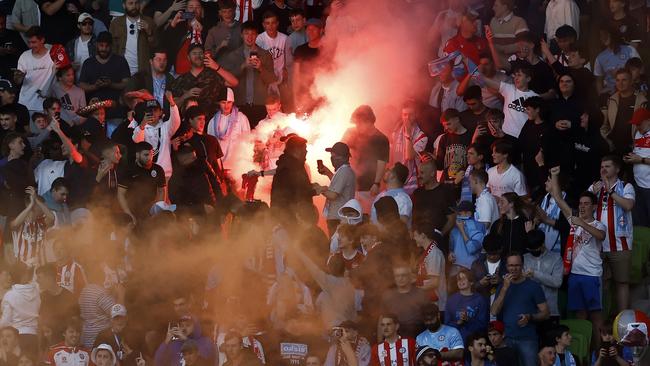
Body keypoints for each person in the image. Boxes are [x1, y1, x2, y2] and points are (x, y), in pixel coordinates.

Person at [588, 155, 635, 313]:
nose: (603, 169)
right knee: (602, 284)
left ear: (617, 169)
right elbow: (583, 209)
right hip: (598, 245)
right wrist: (592, 195)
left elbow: (628, 205)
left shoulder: (626, 186)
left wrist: (611, 192)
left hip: (620, 244)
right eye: (602, 166)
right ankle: (603, 323)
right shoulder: (595, 188)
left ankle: (622, 321)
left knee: (621, 283)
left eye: (607, 166)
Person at [490, 253, 550, 366]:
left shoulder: (533, 286)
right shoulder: (502, 286)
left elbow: (546, 313)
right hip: (506, 339)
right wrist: (504, 288)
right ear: (506, 266)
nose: (514, 268)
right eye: (511, 265)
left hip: (528, 339)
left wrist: (530, 317)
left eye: (517, 265)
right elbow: (494, 311)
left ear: (522, 265)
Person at [220, 21, 277, 125]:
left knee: (259, 137)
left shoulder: (265, 55)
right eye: (246, 33)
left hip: (260, 104)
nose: (250, 37)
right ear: (241, 35)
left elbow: (272, 79)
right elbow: (226, 79)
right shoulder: (234, 55)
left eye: (253, 33)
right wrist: (243, 66)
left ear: (257, 35)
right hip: (239, 104)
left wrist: (261, 68)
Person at [169, 43, 239, 118]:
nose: (198, 56)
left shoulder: (213, 75)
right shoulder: (181, 80)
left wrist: (216, 67)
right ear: (188, 57)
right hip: (190, 125)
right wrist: (186, 95)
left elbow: (234, 82)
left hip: (213, 123)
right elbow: (173, 106)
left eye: (200, 53)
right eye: (194, 53)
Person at [341, 105, 389, 214]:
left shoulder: (381, 139)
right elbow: (340, 151)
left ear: (368, 121)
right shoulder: (353, 134)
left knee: (366, 218)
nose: (357, 126)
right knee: (350, 219)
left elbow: (382, 163)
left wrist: (376, 184)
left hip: (369, 188)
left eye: (359, 123)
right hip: (351, 185)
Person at [79, 31, 131, 121]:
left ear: (111, 46)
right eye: (101, 45)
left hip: (116, 112)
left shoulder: (120, 61)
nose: (104, 49)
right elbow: (81, 85)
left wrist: (111, 84)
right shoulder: (88, 63)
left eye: (107, 46)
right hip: (94, 113)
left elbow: (127, 83)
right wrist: (95, 86)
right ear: (96, 45)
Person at [479, 66, 538, 138]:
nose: (516, 78)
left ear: (528, 79)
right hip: (505, 135)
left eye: (519, 75)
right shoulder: (509, 88)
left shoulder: (535, 97)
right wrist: (478, 74)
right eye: (515, 75)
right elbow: (490, 82)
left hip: (524, 137)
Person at [117, 141, 166, 225]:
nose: (149, 158)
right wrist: (129, 214)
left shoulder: (158, 169)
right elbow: (120, 194)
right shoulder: (128, 170)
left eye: (151, 154)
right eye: (146, 155)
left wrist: (157, 210)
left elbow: (161, 191)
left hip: (150, 210)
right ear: (137, 155)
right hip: (132, 209)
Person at [601, 68, 647, 156]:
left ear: (631, 81)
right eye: (617, 80)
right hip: (613, 147)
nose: (620, 83)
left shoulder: (642, 101)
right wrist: (607, 141)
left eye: (624, 80)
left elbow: (646, 129)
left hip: (634, 149)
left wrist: (638, 145)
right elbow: (604, 125)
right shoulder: (610, 100)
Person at [314, 142, 356, 236]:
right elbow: (338, 185)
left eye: (334, 156)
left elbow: (333, 195)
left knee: (336, 247)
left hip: (339, 218)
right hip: (339, 217)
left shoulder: (344, 171)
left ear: (343, 157)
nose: (332, 158)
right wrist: (328, 173)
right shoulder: (344, 171)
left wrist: (321, 189)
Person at [380, 263, 430, 339]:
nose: (400, 278)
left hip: (418, 335)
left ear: (410, 277)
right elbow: (381, 320)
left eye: (403, 275)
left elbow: (428, 317)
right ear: (394, 278)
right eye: (397, 276)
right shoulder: (387, 295)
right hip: (394, 337)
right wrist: (380, 341)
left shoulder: (420, 294)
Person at [523, 230, 562, 325]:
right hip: (529, 312)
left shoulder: (556, 258)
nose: (533, 252)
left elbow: (557, 282)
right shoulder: (524, 258)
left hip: (551, 311)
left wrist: (535, 274)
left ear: (542, 244)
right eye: (531, 250)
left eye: (536, 249)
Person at [14, 27, 56, 115]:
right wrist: (18, 77)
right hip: (26, 104)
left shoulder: (53, 55)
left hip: (47, 106)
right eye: (29, 42)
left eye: (34, 42)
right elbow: (17, 82)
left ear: (42, 40)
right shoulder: (24, 56)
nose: (30, 45)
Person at [0, 262, 40, 355]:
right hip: (34, 336)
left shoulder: (10, 295)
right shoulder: (36, 291)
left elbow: (6, 321)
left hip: (17, 338)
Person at [411, 154, 456, 236]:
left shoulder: (445, 191)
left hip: (437, 245)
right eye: (418, 172)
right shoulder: (417, 193)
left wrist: (439, 235)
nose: (418, 176)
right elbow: (413, 218)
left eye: (422, 173)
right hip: (418, 243)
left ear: (432, 173)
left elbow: (452, 219)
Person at [10, 185, 55, 266]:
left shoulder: (41, 223)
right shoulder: (20, 222)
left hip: (40, 268)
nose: (43, 208)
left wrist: (36, 200)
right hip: (23, 268)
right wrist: (31, 205)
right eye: (40, 206)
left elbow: (52, 218)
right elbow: (14, 224)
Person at [206, 87, 251, 167]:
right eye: (223, 102)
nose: (226, 106)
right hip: (220, 164)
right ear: (219, 103)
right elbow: (211, 146)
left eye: (229, 102)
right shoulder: (212, 122)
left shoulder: (241, 118)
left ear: (233, 102)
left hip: (237, 165)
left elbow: (248, 142)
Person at [124, 49, 176, 118]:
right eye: (158, 59)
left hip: (166, 118)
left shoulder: (170, 79)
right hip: (146, 117)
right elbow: (126, 96)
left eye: (164, 60)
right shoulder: (140, 77)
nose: (162, 63)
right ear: (151, 61)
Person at [270, 134, 315, 213]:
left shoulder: (293, 165)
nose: (306, 151)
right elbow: (296, 192)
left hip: (292, 216)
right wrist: (312, 190)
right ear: (297, 150)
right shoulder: (291, 167)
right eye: (304, 148)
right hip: (292, 217)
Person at [390, 101, 428, 193]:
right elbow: (391, 157)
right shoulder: (395, 133)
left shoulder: (421, 136)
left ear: (416, 115)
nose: (407, 118)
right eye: (404, 114)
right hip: (396, 178)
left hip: (412, 181)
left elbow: (409, 156)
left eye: (410, 114)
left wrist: (408, 134)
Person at [594, 27, 640, 96]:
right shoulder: (600, 57)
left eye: (605, 34)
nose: (603, 38)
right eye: (601, 36)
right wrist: (600, 94)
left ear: (612, 34)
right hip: (612, 96)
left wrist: (621, 73)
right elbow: (599, 80)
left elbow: (640, 71)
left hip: (632, 93)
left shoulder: (629, 50)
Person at [444, 270, 489, 342]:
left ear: (471, 282)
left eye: (464, 278)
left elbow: (483, 325)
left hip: (473, 342)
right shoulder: (451, 300)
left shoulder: (480, 300)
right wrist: (458, 323)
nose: (460, 281)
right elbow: (446, 324)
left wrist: (468, 320)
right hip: (455, 341)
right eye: (459, 279)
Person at [623, 108, 650, 227]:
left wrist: (640, 160)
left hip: (649, 186)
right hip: (638, 184)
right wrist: (631, 158)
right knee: (640, 222)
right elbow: (638, 152)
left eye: (639, 123)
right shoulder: (638, 133)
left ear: (648, 120)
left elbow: (641, 158)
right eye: (635, 123)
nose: (637, 126)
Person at [256, 11, 290, 103]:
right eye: (267, 23)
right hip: (265, 80)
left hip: (280, 80)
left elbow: (288, 59)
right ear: (263, 25)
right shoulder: (259, 39)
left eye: (273, 23)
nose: (270, 26)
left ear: (277, 23)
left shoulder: (284, 38)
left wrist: (286, 71)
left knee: (282, 106)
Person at [412, 221, 446, 309]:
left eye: (415, 235)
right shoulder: (428, 252)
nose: (414, 238)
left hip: (436, 303)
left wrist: (414, 290)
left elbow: (434, 282)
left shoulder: (434, 254)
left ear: (423, 235)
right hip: (429, 300)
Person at [434, 108, 472, 183]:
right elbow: (440, 165)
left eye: (448, 124)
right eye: (444, 125)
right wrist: (432, 160)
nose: (446, 128)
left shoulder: (470, 136)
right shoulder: (444, 138)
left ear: (457, 119)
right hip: (447, 182)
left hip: (464, 181)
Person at [449, 201, 486, 275]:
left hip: (470, 269)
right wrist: (450, 254)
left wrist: (462, 230)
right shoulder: (455, 228)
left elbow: (472, 248)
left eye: (459, 214)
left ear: (468, 214)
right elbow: (451, 248)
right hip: (455, 268)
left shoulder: (478, 227)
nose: (457, 216)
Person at [370, 163, 413, 227]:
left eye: (388, 170)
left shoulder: (403, 199)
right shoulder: (381, 195)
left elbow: (401, 224)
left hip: (390, 237)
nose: (385, 171)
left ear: (393, 176)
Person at [65, 13, 97, 79]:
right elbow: (65, 64)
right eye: (84, 23)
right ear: (79, 26)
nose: (87, 25)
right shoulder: (71, 44)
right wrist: (71, 66)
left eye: (90, 23)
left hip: (93, 82)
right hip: (75, 82)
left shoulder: (98, 42)